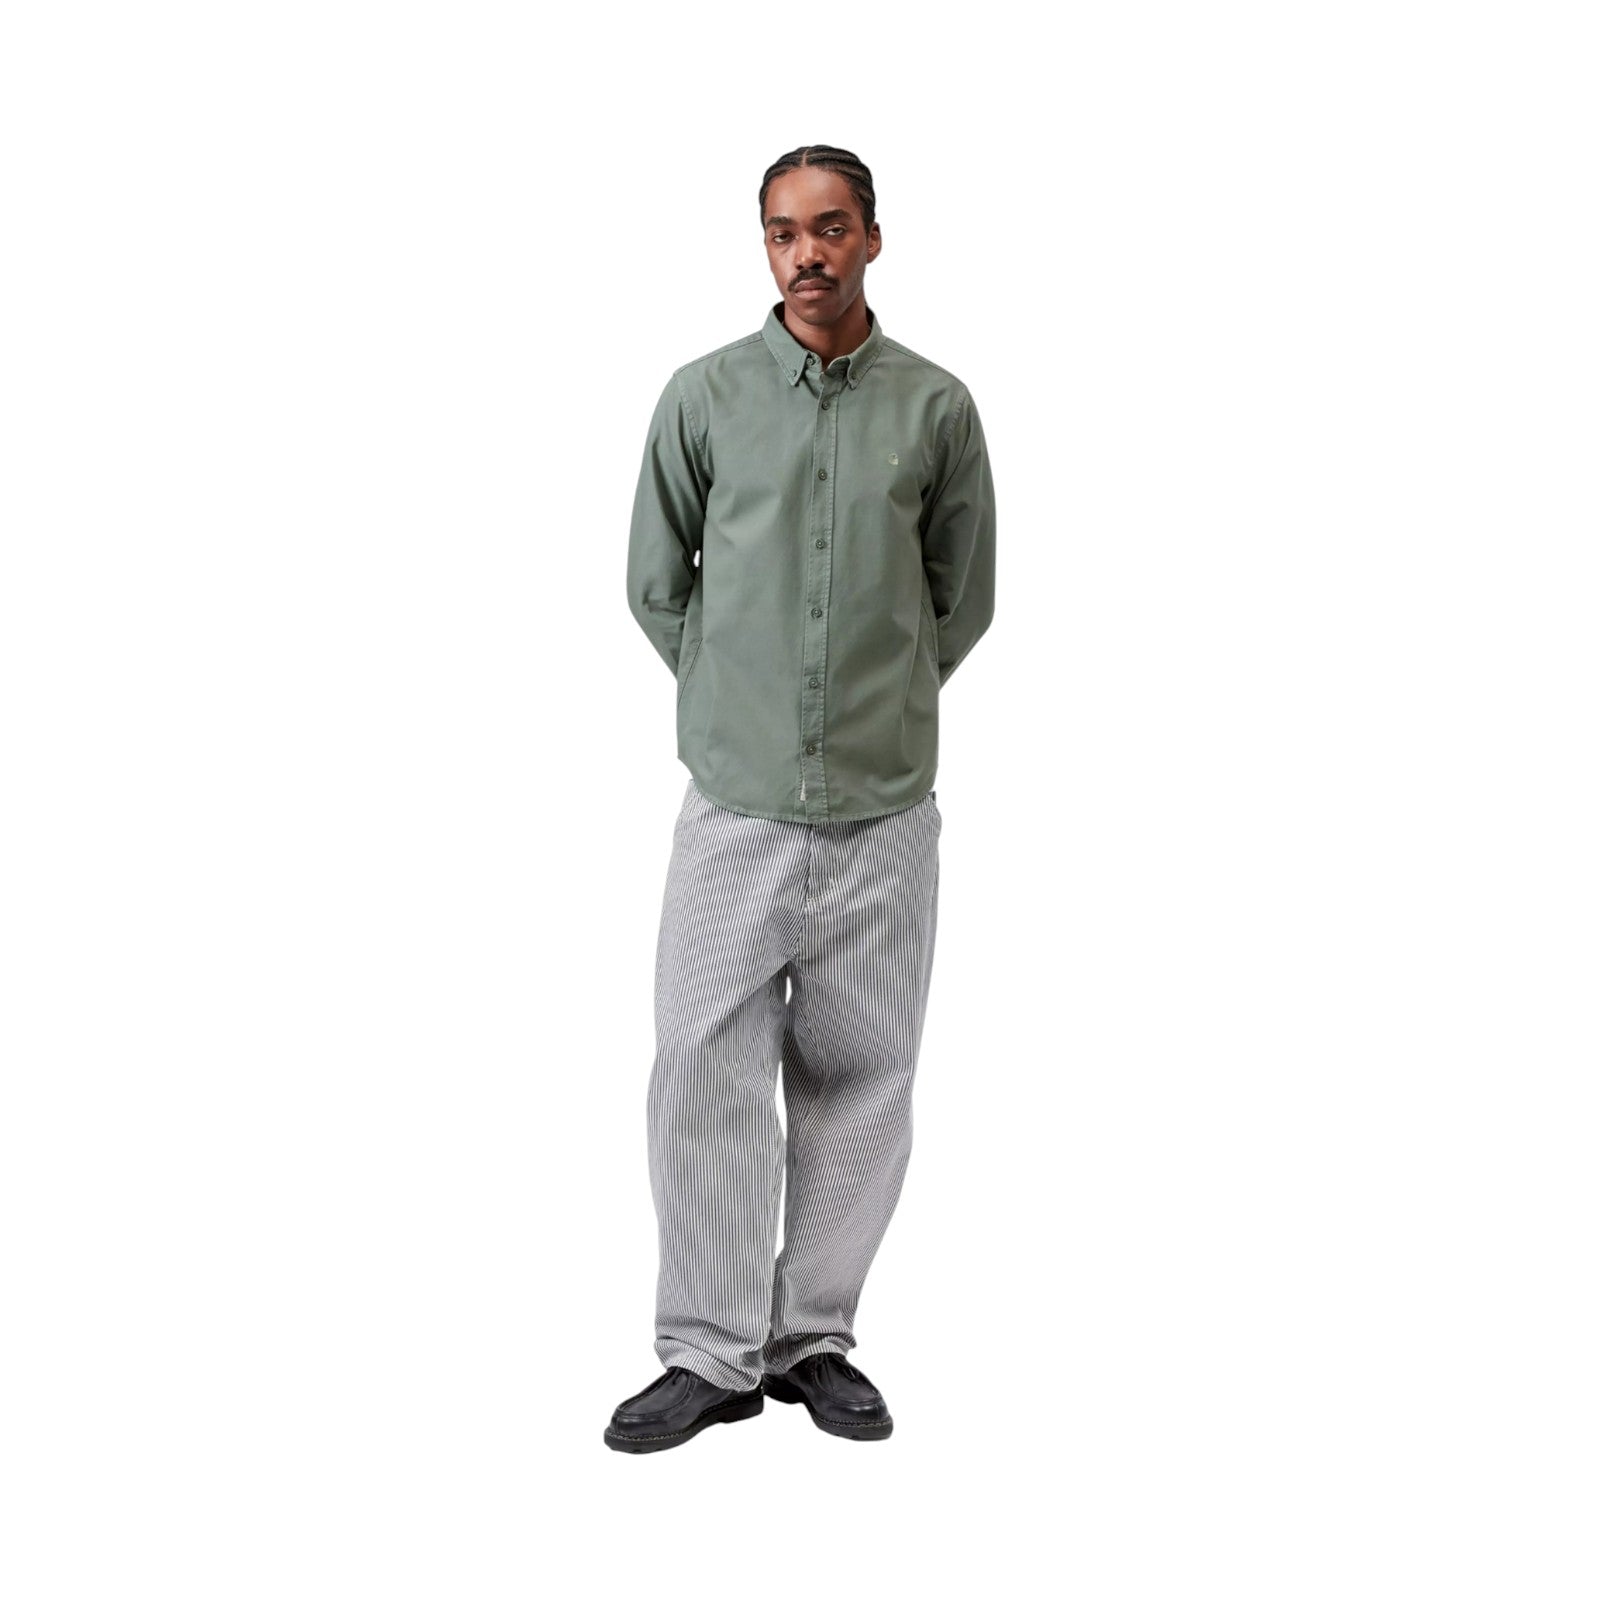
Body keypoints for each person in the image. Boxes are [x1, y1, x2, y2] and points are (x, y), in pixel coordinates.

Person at [605, 145, 997, 1453]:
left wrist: (875, 702)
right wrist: (741, 698)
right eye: (784, 232)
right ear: (765, 247)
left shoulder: (936, 408)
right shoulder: (703, 398)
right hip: (737, 808)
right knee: (699, 1072)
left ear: (873, 238)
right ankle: (709, 1353)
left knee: (863, 1077)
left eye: (831, 228)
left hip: (885, 810)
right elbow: (657, 583)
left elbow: (960, 597)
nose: (807, 253)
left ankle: (811, 1339)